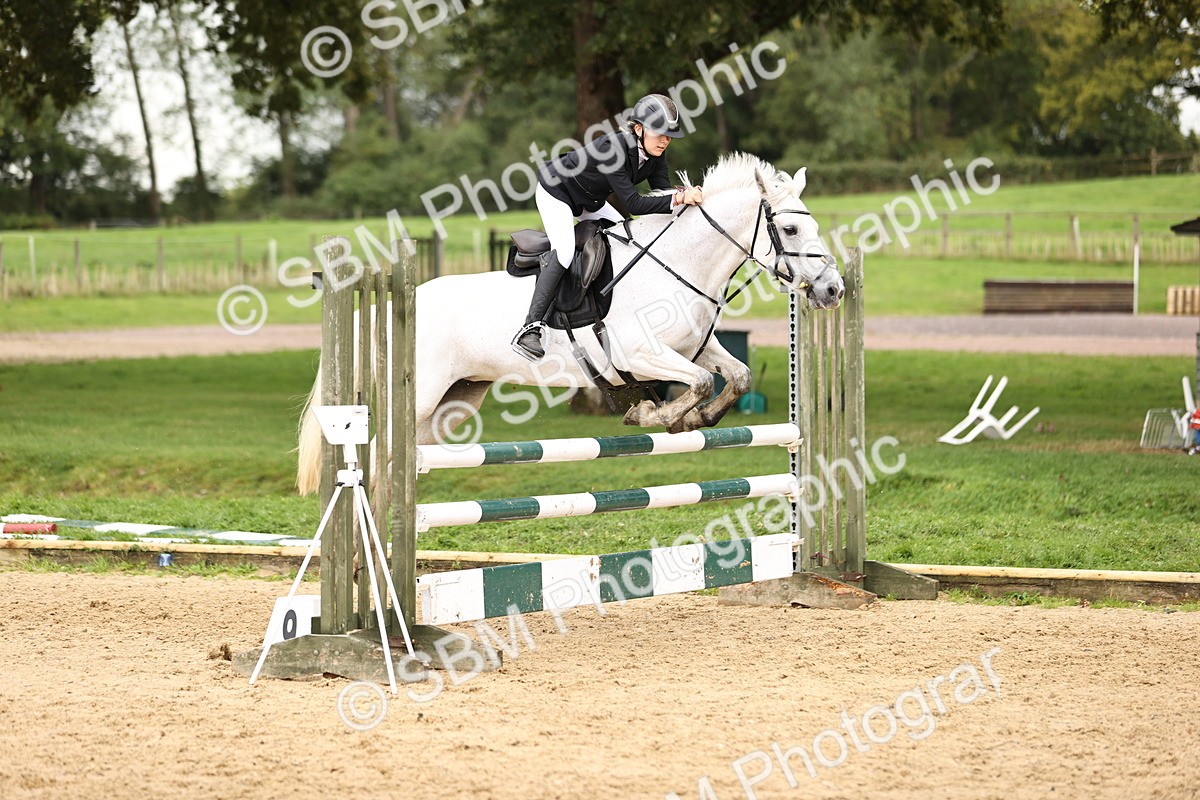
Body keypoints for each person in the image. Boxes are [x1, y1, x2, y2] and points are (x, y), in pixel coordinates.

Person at [512, 93, 705, 361]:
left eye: (669, 135)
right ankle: (530, 328)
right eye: (659, 133)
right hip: (556, 190)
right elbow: (635, 204)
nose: (665, 140)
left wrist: (686, 195)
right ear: (638, 129)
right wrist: (680, 197)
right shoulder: (613, 148)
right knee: (565, 251)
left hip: (590, 198)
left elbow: (661, 192)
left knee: (627, 239)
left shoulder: (656, 154)